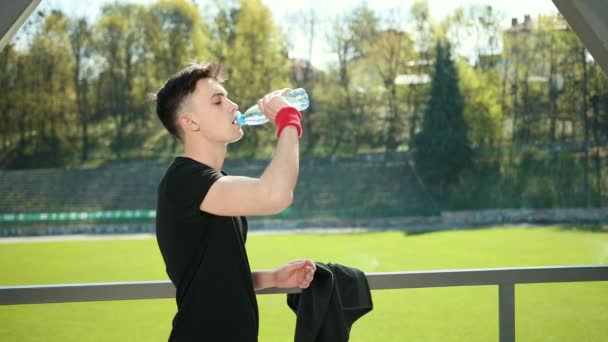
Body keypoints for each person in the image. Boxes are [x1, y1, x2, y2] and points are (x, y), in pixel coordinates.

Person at [153, 61, 316, 341]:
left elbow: (214, 281)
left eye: (227, 97)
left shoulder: (214, 183)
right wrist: (288, 119)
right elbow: (275, 195)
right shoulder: (184, 181)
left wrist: (273, 278)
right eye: (218, 101)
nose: (234, 105)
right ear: (190, 122)